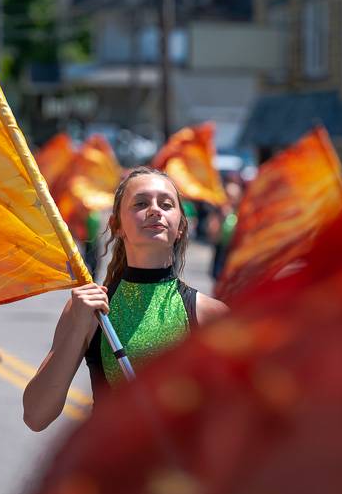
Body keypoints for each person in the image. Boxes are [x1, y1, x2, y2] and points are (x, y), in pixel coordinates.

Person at [23, 167, 228, 431]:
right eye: (141, 203)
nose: (155, 210)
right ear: (116, 225)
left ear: (180, 227)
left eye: (166, 204)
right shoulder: (91, 307)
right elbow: (36, 415)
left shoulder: (211, 314)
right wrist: (78, 329)